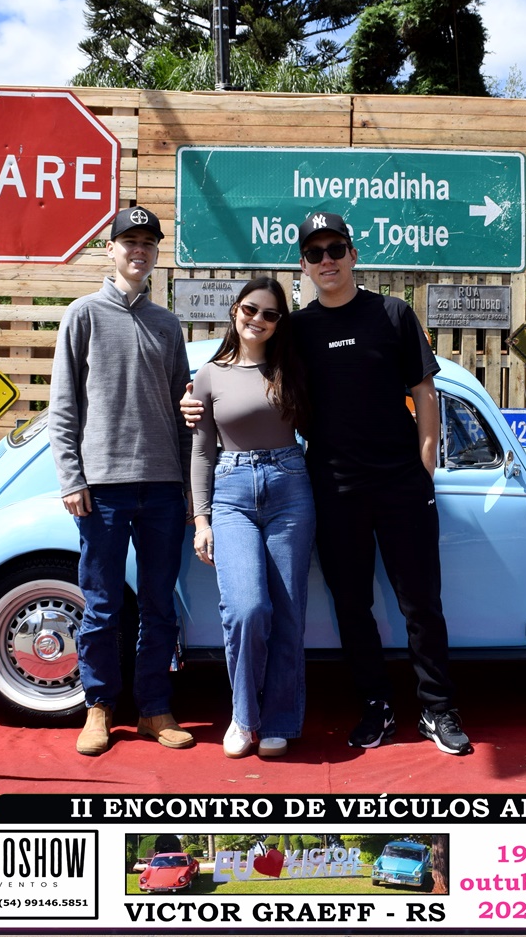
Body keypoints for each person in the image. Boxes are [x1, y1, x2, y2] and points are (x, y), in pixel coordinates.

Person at [184, 211, 473, 756]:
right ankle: (376, 707)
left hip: (400, 483)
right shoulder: (298, 329)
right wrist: (193, 399)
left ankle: (438, 709)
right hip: (332, 488)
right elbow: (246, 366)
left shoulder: (393, 313)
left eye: (336, 249)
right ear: (304, 265)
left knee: (420, 601)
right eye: (315, 253)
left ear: (353, 254)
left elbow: (425, 391)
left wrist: (425, 467)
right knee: (352, 605)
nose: (327, 260)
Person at [50, 206, 195, 755]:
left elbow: (185, 412)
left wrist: (189, 487)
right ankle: (99, 707)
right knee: (103, 606)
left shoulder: (167, 324)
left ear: (156, 253)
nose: (139, 250)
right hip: (103, 488)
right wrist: (72, 478)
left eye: (148, 243)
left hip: (163, 488)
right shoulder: (82, 315)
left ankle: (154, 708)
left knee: (159, 606)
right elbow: (63, 406)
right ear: (109, 249)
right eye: (129, 241)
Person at [189, 277, 315, 759]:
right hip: (231, 493)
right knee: (246, 609)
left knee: (288, 611)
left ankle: (280, 719)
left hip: (290, 487)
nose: (257, 319)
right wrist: (201, 520)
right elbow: (202, 451)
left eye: (269, 314)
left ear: (280, 323)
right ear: (235, 310)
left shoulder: (292, 367)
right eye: (250, 309)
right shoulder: (209, 375)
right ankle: (243, 717)